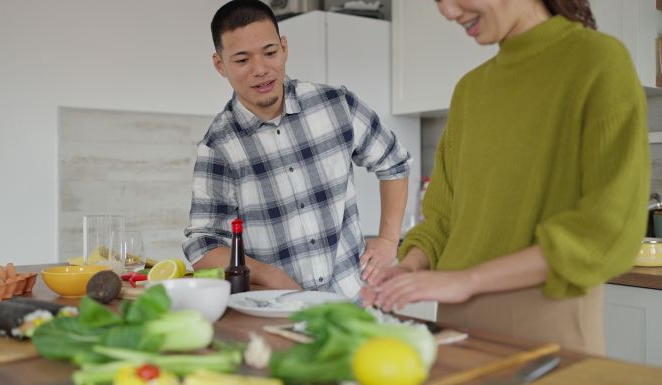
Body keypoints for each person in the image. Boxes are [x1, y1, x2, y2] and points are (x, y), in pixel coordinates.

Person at [362, 0, 650, 353]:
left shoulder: (597, 61)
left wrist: (466, 281)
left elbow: (608, 228)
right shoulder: (470, 90)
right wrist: (409, 268)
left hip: (547, 322)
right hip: (455, 324)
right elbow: (442, 218)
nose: (448, 13)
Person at [182, 0, 411, 301]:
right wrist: (266, 274)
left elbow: (393, 162)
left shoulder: (336, 104)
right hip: (275, 312)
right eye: (241, 60)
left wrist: (388, 239)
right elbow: (204, 244)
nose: (261, 69)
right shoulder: (218, 146)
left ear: (285, 48)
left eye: (270, 52)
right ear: (220, 65)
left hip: (352, 301)